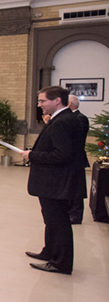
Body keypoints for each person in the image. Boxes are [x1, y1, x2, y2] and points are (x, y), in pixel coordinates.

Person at [19, 86, 86, 275]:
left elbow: (62, 155)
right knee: (51, 219)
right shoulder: (62, 119)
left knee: (58, 221)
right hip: (54, 181)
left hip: (57, 181)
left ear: (57, 100)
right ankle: (50, 252)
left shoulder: (63, 122)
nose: (39, 104)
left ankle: (61, 262)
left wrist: (33, 155)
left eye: (42, 101)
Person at [66, 95, 90, 225]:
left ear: (69, 104)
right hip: (68, 158)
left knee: (76, 187)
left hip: (76, 158)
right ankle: (68, 211)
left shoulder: (80, 118)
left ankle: (75, 215)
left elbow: (77, 138)